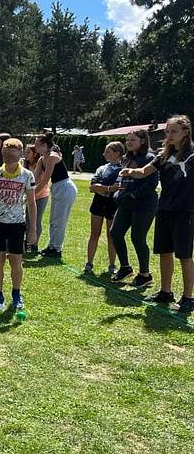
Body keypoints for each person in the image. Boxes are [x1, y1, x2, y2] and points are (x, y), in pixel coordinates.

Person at [120, 115, 194, 313]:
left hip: (184, 210)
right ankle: (165, 292)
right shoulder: (162, 155)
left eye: (174, 132)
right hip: (164, 208)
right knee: (164, 251)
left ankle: (188, 298)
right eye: (167, 132)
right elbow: (144, 172)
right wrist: (129, 171)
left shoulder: (192, 156)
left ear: (185, 133)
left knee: (185, 255)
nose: (169, 135)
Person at [0, 138, 37, 310]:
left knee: (16, 261)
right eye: (6, 154)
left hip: (17, 224)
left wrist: (32, 230)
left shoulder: (27, 175)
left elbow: (32, 204)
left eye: (12, 154)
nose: (8, 158)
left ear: (20, 154)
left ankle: (16, 293)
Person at [110, 130, 158, 287]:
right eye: (127, 140)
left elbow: (151, 184)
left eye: (133, 139)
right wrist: (119, 193)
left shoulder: (150, 158)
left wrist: (133, 195)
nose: (129, 142)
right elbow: (122, 180)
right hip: (126, 204)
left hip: (144, 204)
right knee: (115, 232)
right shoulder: (126, 158)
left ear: (143, 141)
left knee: (137, 237)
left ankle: (145, 275)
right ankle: (125, 267)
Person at [35, 133, 77, 259]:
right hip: (57, 188)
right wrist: (25, 189)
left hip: (65, 188)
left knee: (59, 221)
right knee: (53, 220)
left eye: (37, 144)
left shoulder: (53, 157)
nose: (35, 147)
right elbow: (34, 178)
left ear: (44, 145)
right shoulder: (42, 159)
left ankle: (57, 249)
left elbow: (44, 180)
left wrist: (31, 196)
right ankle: (51, 246)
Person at [84, 142, 124, 274]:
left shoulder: (123, 169)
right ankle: (89, 263)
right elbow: (92, 186)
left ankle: (112, 265)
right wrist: (107, 189)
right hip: (98, 203)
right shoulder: (101, 168)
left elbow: (117, 187)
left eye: (107, 151)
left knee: (111, 236)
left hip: (113, 204)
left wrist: (102, 188)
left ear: (117, 153)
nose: (104, 154)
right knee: (94, 233)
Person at [24, 145, 49, 252]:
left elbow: (41, 182)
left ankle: (34, 244)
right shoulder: (25, 165)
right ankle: (27, 242)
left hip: (41, 195)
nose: (25, 155)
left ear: (34, 154)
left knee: (36, 220)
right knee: (27, 220)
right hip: (29, 196)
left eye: (28, 153)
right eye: (25, 152)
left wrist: (32, 195)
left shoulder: (41, 164)